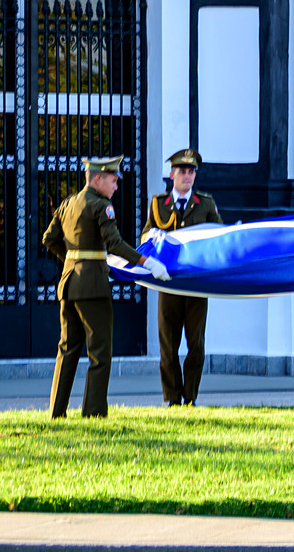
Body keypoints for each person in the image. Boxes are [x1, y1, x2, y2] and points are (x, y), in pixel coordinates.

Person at [43, 155, 170, 418]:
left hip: (69, 284)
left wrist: (72, 261)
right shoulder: (102, 206)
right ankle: (93, 412)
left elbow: (49, 238)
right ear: (98, 179)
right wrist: (147, 261)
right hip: (93, 287)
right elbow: (114, 243)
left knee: (67, 349)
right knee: (100, 352)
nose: (116, 186)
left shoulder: (69, 203)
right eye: (113, 181)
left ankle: (56, 411)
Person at [141, 148, 222, 407]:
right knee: (168, 343)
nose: (188, 176)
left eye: (192, 172)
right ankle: (172, 397)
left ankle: (191, 397)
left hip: (197, 284)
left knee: (195, 344)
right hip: (168, 283)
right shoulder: (157, 204)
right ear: (172, 174)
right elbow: (144, 236)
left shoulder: (206, 204)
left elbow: (218, 237)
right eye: (183, 171)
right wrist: (152, 236)